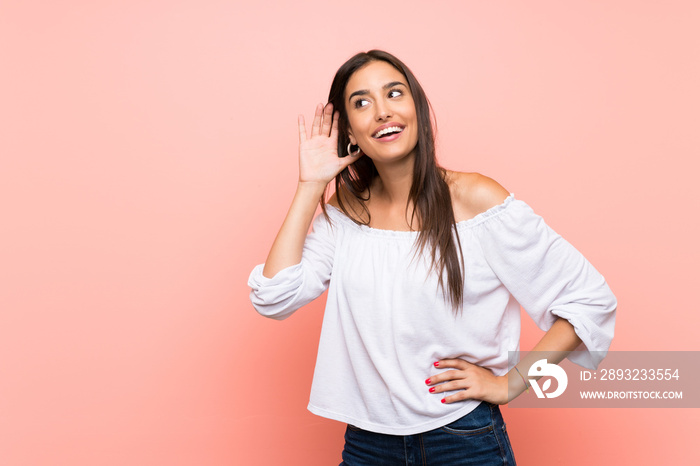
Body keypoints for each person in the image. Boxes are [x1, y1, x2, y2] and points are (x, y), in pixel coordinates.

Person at [248, 50, 616, 465]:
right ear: (350, 131)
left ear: (417, 109)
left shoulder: (475, 200)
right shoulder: (347, 212)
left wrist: (509, 384)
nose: (383, 112)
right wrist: (310, 186)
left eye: (394, 93)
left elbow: (588, 299)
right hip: (368, 444)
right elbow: (274, 297)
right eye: (362, 103)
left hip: (463, 438)